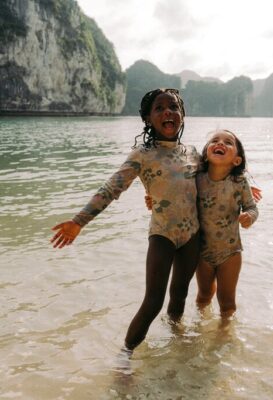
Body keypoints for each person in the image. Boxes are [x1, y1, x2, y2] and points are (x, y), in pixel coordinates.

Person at [50, 88, 202, 353]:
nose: (168, 111)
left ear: (182, 114)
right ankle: (125, 356)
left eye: (174, 107)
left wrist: (243, 187)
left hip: (193, 236)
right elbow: (111, 188)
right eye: (159, 108)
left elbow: (212, 182)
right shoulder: (142, 155)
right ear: (147, 119)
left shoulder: (193, 153)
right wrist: (79, 221)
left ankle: (176, 344)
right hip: (163, 235)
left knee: (180, 294)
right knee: (153, 302)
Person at [195, 129, 258, 318]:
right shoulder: (196, 178)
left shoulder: (239, 182)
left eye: (228, 143)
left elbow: (252, 208)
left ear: (236, 160)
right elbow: (175, 194)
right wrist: (154, 199)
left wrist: (249, 217)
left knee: (227, 302)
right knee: (203, 296)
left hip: (230, 252)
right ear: (206, 153)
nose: (220, 143)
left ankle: (224, 337)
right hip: (202, 252)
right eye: (215, 140)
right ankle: (200, 327)